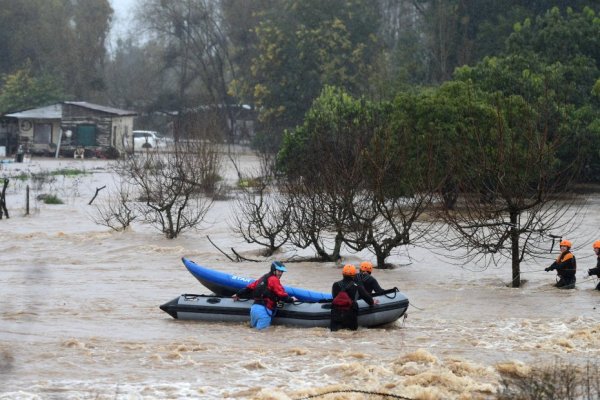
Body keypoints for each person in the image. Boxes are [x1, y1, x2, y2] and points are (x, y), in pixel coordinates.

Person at [232, 261, 297, 330]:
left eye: (282, 272)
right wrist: (291, 299)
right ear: (273, 270)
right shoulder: (274, 279)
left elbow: (249, 288)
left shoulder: (263, 278)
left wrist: (238, 294)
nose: (280, 273)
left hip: (254, 309)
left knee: (253, 333)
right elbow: (281, 294)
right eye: (279, 271)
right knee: (262, 336)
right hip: (264, 311)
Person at [330, 264, 377, 331]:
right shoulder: (357, 286)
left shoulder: (335, 285)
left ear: (343, 273)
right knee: (351, 335)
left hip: (336, 314)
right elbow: (368, 300)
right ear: (354, 275)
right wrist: (373, 302)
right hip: (350, 315)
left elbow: (334, 297)